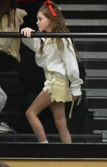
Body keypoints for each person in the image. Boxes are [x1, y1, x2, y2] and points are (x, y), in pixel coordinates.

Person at [20, 1, 82, 144]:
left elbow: (72, 65)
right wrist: (26, 33)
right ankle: (69, 152)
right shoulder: (43, 38)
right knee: (60, 122)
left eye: (40, 19)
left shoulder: (62, 38)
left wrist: (76, 86)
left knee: (31, 113)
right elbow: (30, 44)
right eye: (37, 19)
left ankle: (44, 146)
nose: (38, 22)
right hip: (53, 81)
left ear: (51, 20)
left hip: (56, 81)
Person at [0, 0, 28, 72]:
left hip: (5, 57)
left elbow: (4, 43)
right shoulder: (9, 15)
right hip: (6, 57)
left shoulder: (7, 17)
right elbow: (1, 28)